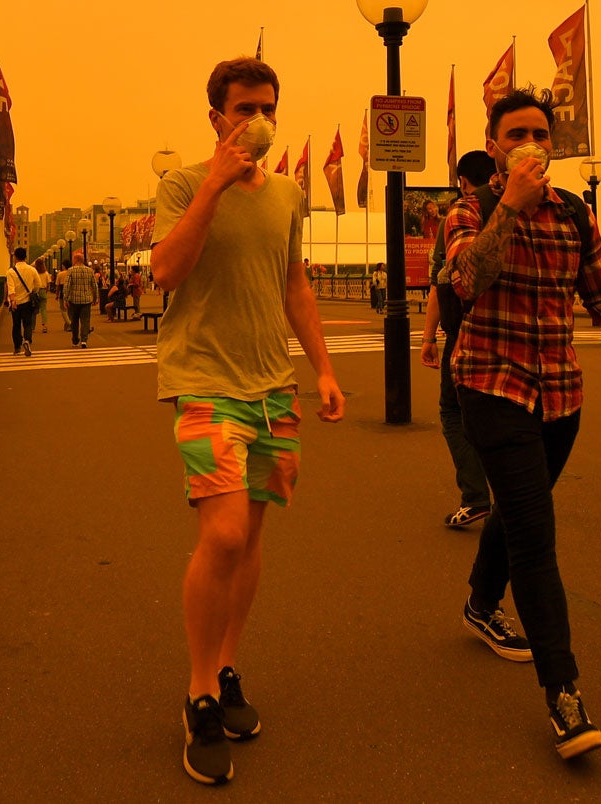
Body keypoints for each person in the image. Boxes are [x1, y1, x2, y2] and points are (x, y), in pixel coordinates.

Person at [446, 88, 601, 760]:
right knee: (536, 538)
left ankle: (480, 605)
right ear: (494, 147)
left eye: (542, 135)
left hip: (560, 393)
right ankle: (565, 697)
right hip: (491, 384)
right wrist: (509, 206)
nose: (531, 145)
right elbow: (467, 281)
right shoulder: (469, 210)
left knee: (522, 512)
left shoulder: (576, 214)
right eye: (516, 133)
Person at [151, 56, 345, 785]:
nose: (256, 121)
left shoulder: (290, 195)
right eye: (243, 109)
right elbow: (166, 272)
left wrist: (323, 367)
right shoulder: (181, 184)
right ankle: (200, 691)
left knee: (253, 531)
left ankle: (228, 667)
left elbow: (293, 284)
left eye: (267, 108)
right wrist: (213, 184)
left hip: (273, 389)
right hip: (203, 383)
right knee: (222, 531)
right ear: (216, 118)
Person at [421, 150, 496, 530]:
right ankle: (516, 497)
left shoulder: (458, 215)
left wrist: (428, 336)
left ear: (463, 181)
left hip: (465, 333)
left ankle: (476, 496)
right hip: (511, 332)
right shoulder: (516, 207)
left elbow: (441, 281)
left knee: (454, 412)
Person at [4, 246, 41, 357]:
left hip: (15, 303)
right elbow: (38, 285)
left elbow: (11, 288)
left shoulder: (10, 271)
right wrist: (31, 291)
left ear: (15, 257)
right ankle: (27, 340)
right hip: (28, 302)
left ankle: (17, 348)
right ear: (25, 257)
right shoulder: (32, 270)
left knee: (16, 325)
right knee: (28, 323)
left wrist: (13, 301)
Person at [62, 251, 96, 348]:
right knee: (85, 320)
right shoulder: (89, 271)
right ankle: (84, 340)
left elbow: (67, 286)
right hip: (86, 300)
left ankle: (75, 340)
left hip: (73, 300)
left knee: (74, 321)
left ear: (76, 260)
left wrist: (65, 299)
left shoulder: (70, 271)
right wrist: (95, 297)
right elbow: (94, 285)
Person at [32, 258, 52, 334]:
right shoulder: (46, 273)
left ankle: (32, 327)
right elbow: (48, 284)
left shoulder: (34, 272)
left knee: (33, 311)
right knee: (43, 309)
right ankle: (44, 326)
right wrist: (46, 291)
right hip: (43, 291)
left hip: (35, 292)